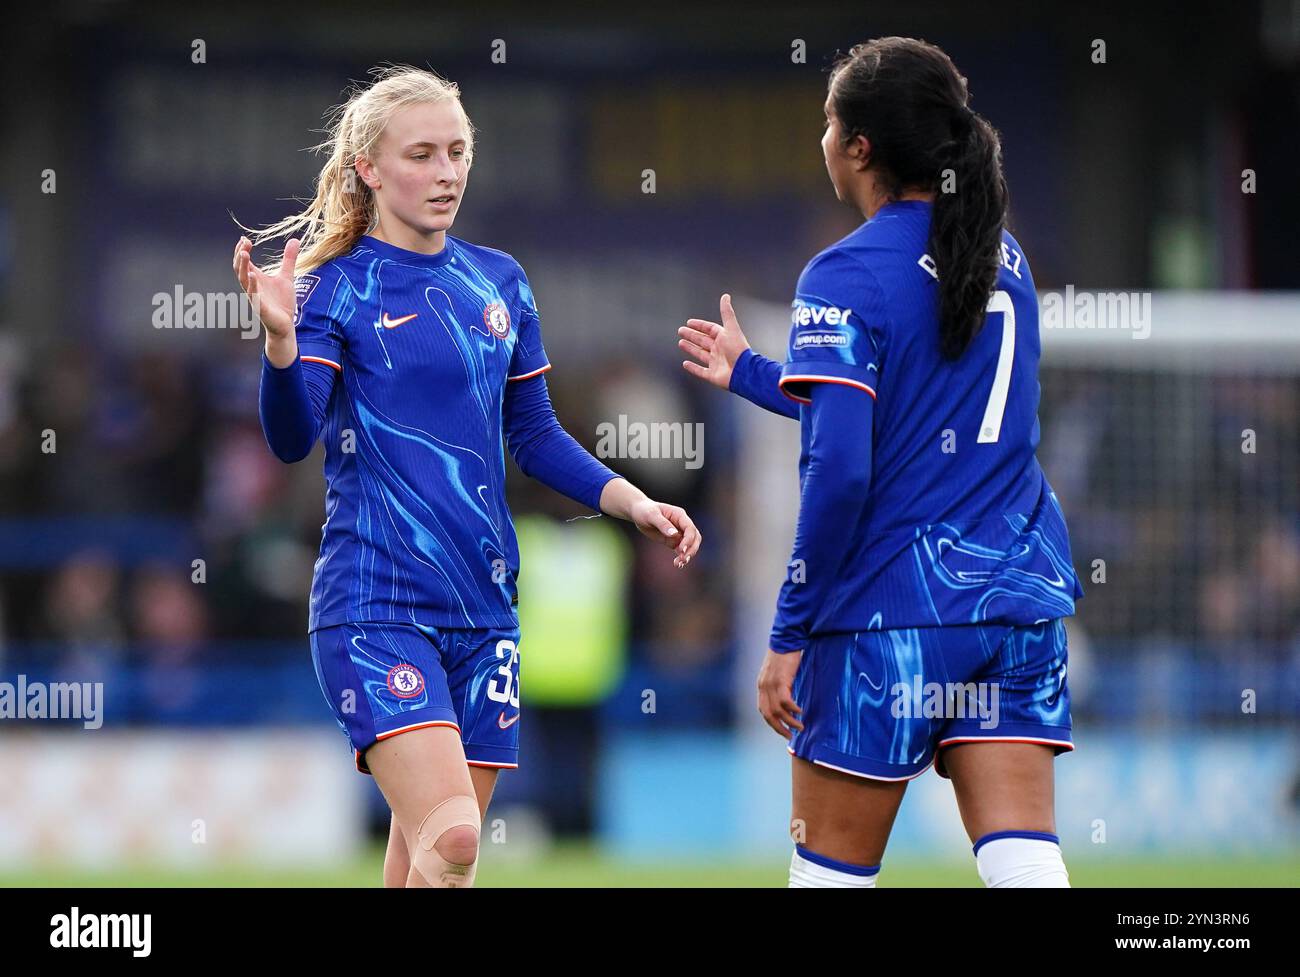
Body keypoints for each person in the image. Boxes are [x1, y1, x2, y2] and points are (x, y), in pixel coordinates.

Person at [233, 65, 701, 888]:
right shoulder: (333, 286)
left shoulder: (500, 281)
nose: (447, 171)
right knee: (453, 843)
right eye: (423, 154)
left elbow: (536, 433)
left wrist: (630, 500)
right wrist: (278, 346)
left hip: (485, 612)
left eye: (458, 151)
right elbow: (289, 436)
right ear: (370, 169)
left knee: (425, 866)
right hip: (374, 605)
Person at [678, 37, 1081, 888]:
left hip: (893, 613)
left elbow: (844, 470)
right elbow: (908, 418)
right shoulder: (1001, 258)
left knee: (829, 874)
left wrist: (787, 632)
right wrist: (754, 372)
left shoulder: (845, 271)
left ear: (858, 146)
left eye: (828, 123)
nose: (821, 140)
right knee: (1026, 865)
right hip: (1016, 600)